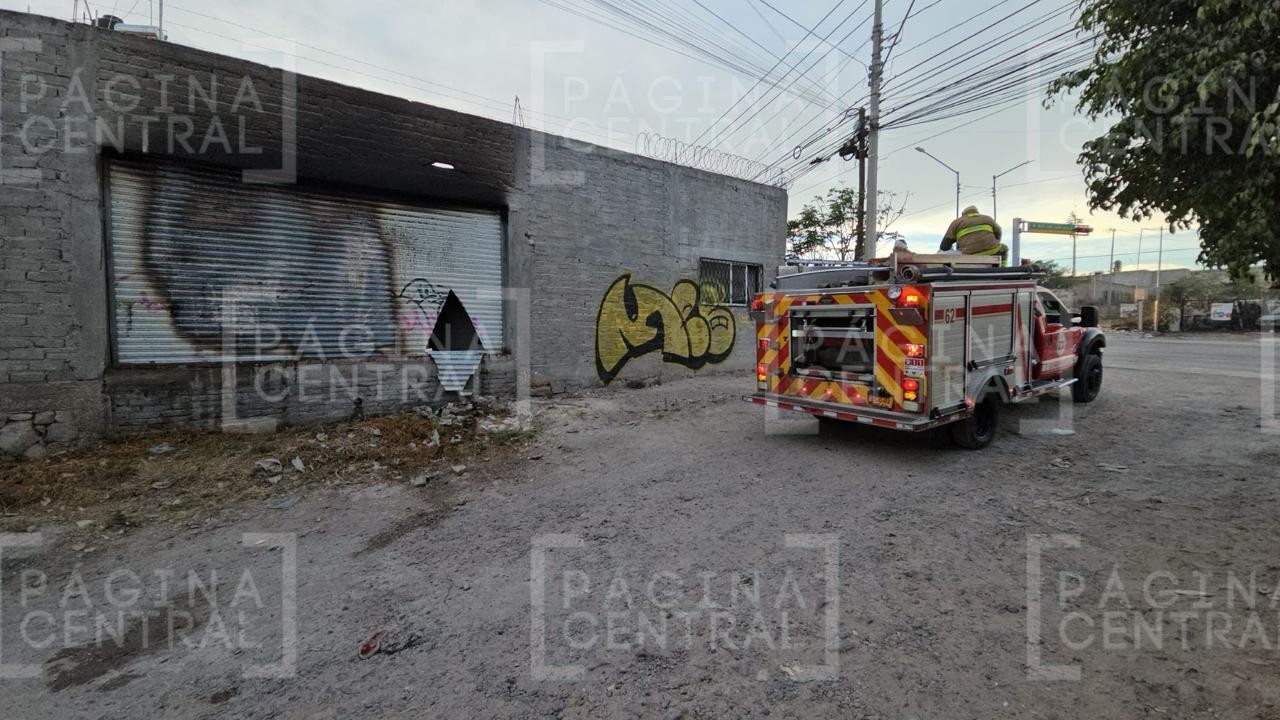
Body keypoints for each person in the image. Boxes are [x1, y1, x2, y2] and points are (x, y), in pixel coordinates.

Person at [939, 206, 1006, 264]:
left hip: (968, 255)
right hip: (992, 251)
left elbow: (944, 246)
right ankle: (1002, 269)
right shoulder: (988, 218)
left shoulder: (957, 222)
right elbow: (998, 232)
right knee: (1004, 248)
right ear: (977, 212)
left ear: (963, 215)